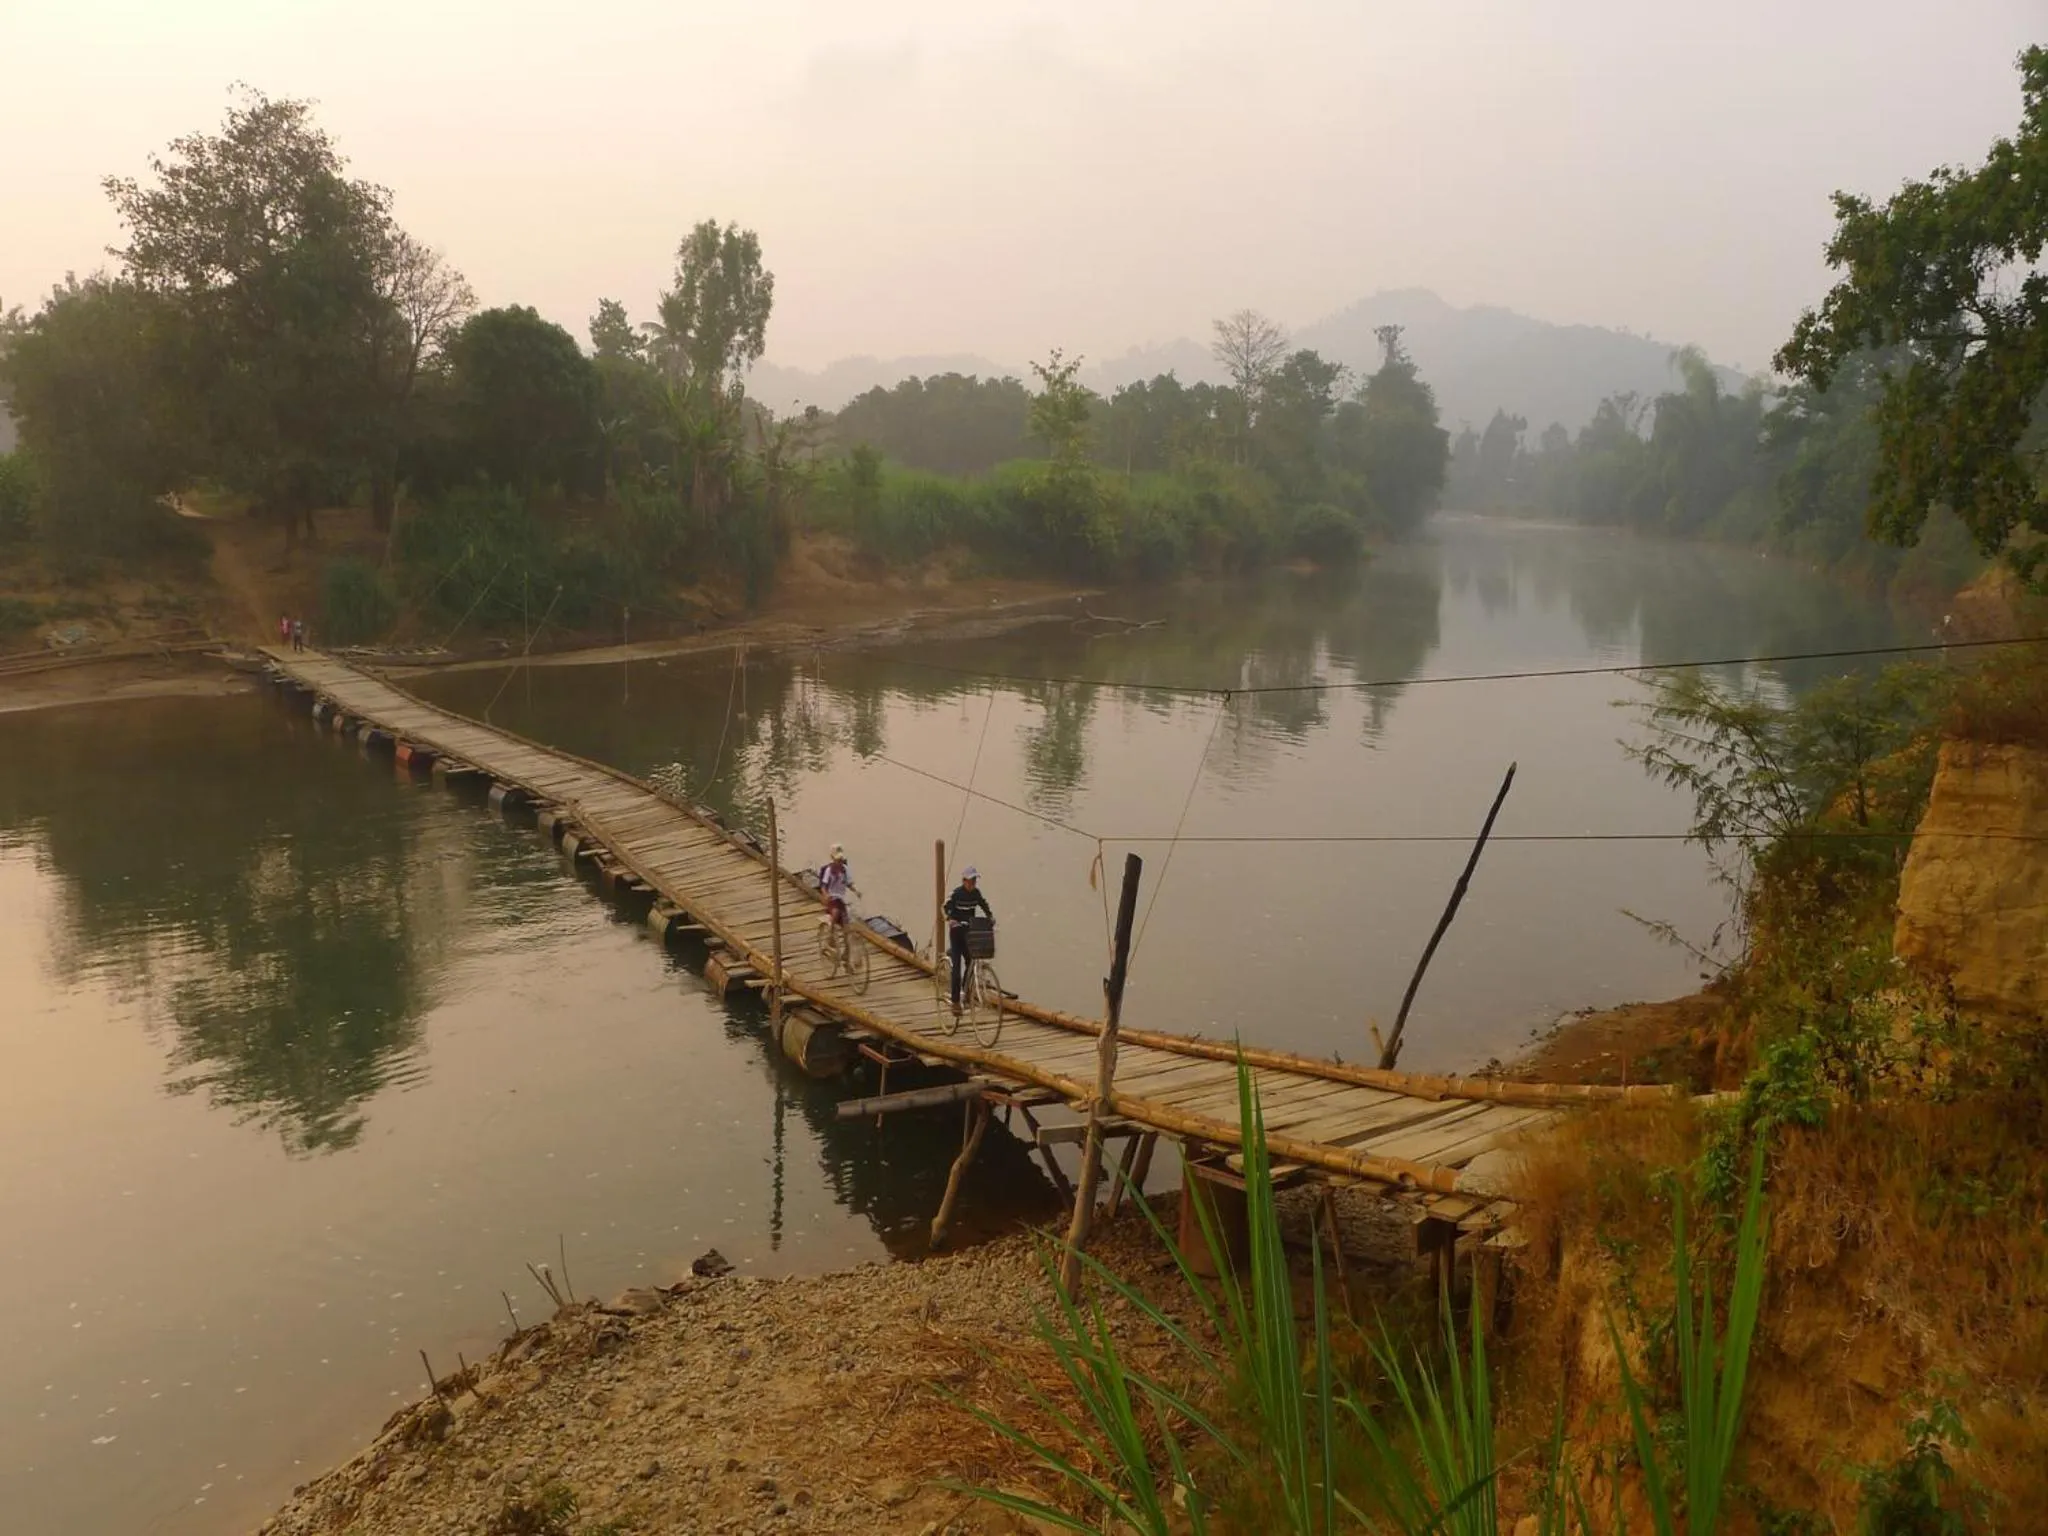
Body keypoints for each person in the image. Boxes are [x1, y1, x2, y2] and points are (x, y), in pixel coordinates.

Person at [944, 866, 994, 1014]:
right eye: (970, 881)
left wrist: (990, 917)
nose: (973, 884)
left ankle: (965, 992)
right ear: (964, 881)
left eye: (974, 881)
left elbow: (984, 905)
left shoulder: (976, 894)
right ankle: (955, 1002)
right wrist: (950, 918)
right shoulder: (956, 894)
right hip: (956, 932)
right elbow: (946, 907)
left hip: (968, 932)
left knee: (971, 960)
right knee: (957, 967)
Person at [818, 844, 856, 929]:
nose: (839, 862)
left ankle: (846, 938)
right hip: (832, 898)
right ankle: (830, 935)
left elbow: (849, 883)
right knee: (836, 913)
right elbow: (823, 885)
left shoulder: (845, 869)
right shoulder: (829, 870)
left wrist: (856, 891)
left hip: (841, 898)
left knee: (846, 919)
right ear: (833, 859)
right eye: (837, 860)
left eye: (840, 860)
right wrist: (825, 895)